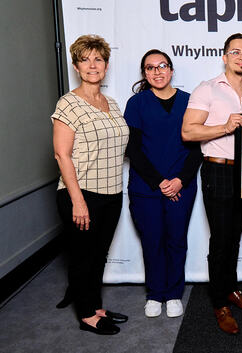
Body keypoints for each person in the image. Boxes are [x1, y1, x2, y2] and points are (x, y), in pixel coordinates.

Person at [181, 33, 242, 335]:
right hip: (217, 170)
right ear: (225, 56)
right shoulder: (208, 89)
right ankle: (219, 303)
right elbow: (188, 132)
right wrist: (224, 127)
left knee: (234, 239)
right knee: (220, 240)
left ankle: (231, 290)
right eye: (236, 52)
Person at [52, 34, 129, 335]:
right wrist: (78, 201)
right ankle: (86, 315)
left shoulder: (111, 102)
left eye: (98, 59)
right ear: (76, 65)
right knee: (84, 257)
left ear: (106, 65)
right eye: (85, 59)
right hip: (81, 193)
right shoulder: (68, 103)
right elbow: (62, 153)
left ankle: (95, 305)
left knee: (99, 256)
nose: (92, 65)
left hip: (112, 192)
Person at [124, 49, 202, 318]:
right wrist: (160, 183)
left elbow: (197, 150)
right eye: (150, 67)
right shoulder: (136, 104)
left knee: (176, 240)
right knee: (152, 240)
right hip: (146, 188)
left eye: (162, 66)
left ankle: (173, 294)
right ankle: (155, 294)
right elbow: (133, 149)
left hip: (182, 186)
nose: (157, 72)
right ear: (144, 73)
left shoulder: (190, 102)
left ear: (171, 70)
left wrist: (180, 181)